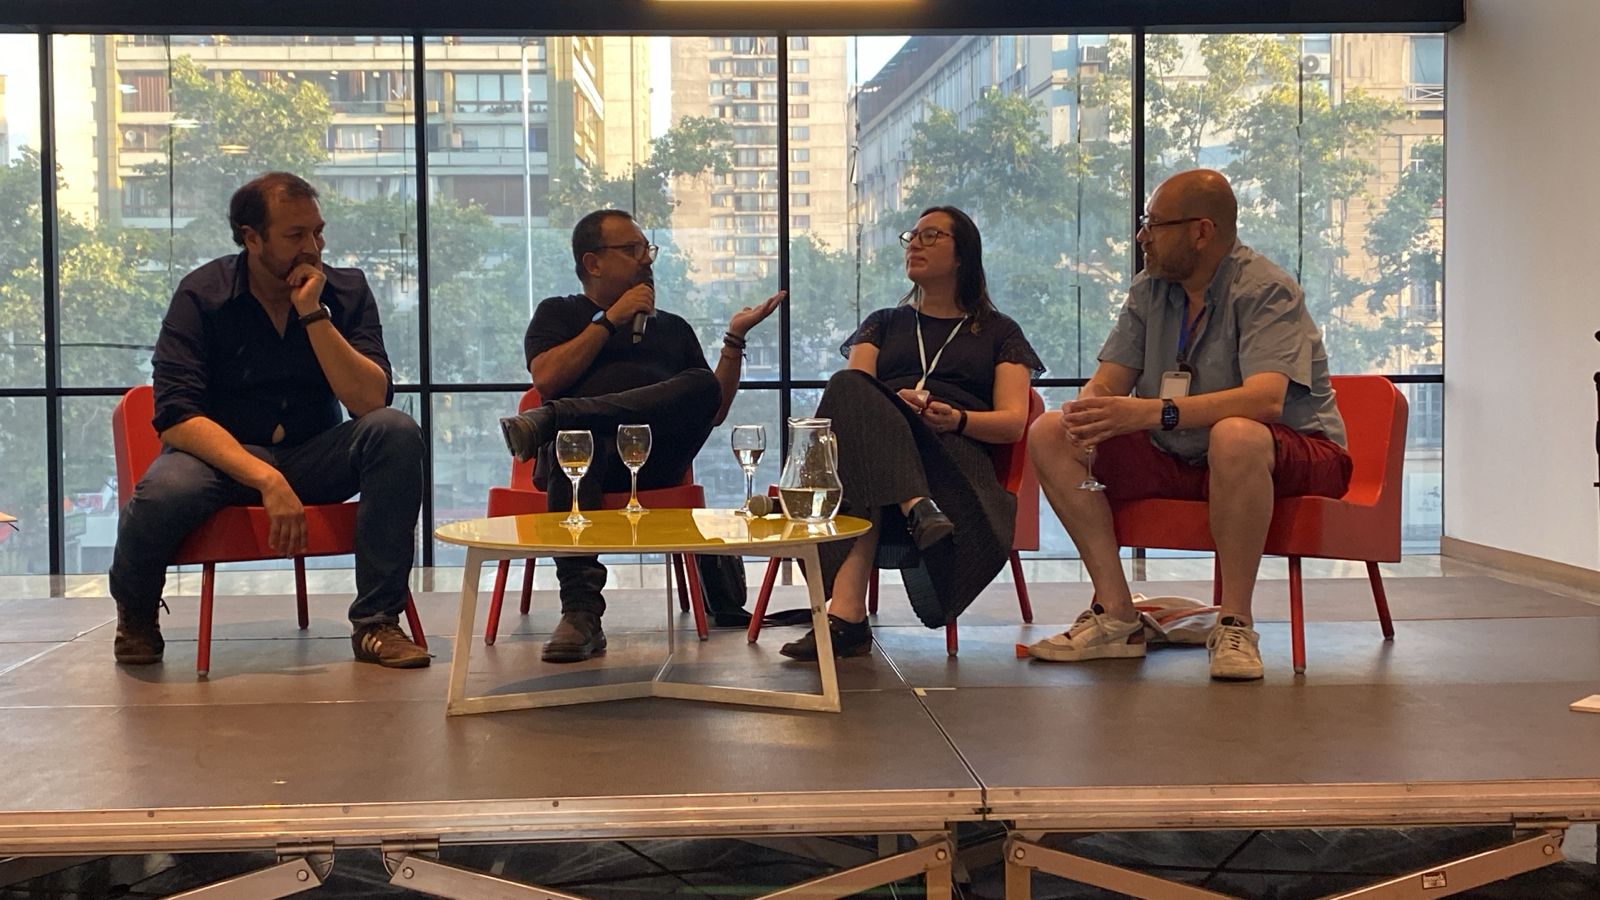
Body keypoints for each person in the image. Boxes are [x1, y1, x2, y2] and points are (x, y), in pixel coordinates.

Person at [1027, 169, 1351, 681]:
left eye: (1154, 224)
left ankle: (1235, 623)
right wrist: (1091, 408)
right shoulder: (1149, 289)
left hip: (1291, 453)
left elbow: (1265, 400)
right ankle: (1118, 617)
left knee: (1236, 434)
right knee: (1050, 431)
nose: (1142, 236)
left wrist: (1151, 411)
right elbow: (1109, 381)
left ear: (1201, 231)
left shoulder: (1266, 289)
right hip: (1183, 451)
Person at [109, 172, 429, 669]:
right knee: (164, 490)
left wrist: (313, 314)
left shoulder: (345, 292)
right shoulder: (202, 295)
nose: (313, 248)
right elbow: (176, 417)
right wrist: (267, 479)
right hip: (224, 460)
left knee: (396, 432)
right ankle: (136, 613)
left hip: (313, 455)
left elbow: (370, 401)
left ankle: (377, 622)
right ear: (251, 237)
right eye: (295, 235)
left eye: (318, 232)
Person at [499, 209, 783, 663]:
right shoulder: (559, 313)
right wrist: (609, 321)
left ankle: (555, 418)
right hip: (581, 463)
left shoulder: (673, 328)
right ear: (593, 262)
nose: (646, 259)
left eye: (647, 249)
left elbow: (712, 410)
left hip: (656, 460)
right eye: (632, 250)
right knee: (581, 438)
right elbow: (547, 378)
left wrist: (734, 339)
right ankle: (581, 613)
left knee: (701, 383)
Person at [779, 206, 1043, 661]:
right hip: (886, 459)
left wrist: (957, 418)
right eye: (912, 236)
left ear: (963, 255)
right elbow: (851, 400)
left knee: (864, 467)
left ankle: (847, 621)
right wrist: (895, 404)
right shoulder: (883, 323)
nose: (915, 244)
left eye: (931, 235)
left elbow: (1013, 423)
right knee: (848, 388)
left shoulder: (1000, 332)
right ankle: (914, 508)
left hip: (954, 464)